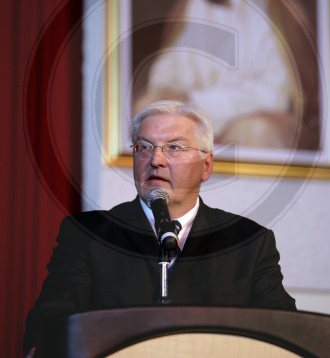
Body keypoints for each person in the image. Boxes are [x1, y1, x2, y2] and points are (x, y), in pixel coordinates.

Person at [23, 100, 296, 356]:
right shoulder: (88, 234)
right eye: (144, 147)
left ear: (206, 165)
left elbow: (283, 331)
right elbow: (50, 321)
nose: (156, 160)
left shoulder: (249, 242)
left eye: (174, 148)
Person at [134, 0, 301, 149]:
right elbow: (171, 63)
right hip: (192, 108)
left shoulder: (268, 11)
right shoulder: (194, 6)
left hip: (245, 114)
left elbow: (275, 93)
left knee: (255, 130)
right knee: (147, 104)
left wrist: (197, 101)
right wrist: (167, 87)